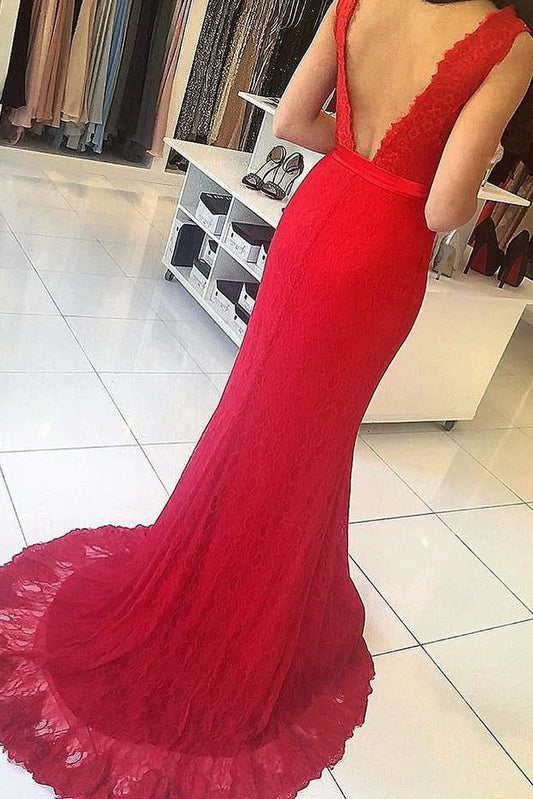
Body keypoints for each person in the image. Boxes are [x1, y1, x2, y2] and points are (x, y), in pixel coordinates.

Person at [0, 2, 532, 798]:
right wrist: (468, 155)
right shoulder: (506, 43)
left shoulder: (356, 3)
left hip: (316, 216)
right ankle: (253, 605)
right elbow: (444, 209)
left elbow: (289, 122)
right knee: (311, 442)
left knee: (254, 418)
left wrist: (360, 150)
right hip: (380, 249)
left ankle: (224, 574)